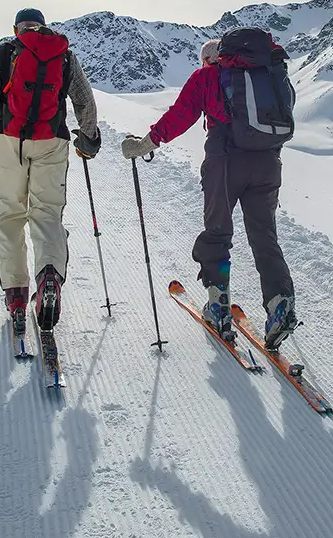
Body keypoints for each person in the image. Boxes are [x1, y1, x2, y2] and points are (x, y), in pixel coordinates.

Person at [121, 28, 297, 350]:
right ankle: (280, 304)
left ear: (209, 59)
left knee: (217, 233)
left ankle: (218, 304)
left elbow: (179, 116)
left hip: (226, 162)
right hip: (268, 164)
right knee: (264, 237)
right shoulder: (268, 74)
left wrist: (144, 144)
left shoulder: (206, 78)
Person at [0, 8, 100, 336]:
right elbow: (84, 101)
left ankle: (16, 296)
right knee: (47, 215)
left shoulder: (3, 53)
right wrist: (89, 137)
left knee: (10, 216)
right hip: (52, 142)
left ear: (16, 28)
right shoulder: (64, 56)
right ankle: (48, 276)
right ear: (43, 26)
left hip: (9, 142)